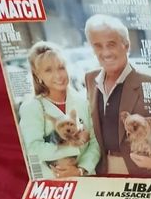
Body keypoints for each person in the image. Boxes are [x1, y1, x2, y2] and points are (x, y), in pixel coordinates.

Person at [83, 14, 151, 177]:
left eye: (111, 44)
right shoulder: (90, 79)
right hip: (102, 172)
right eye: (98, 46)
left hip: (142, 174)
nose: (105, 52)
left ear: (126, 45)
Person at [19, 41, 100, 178]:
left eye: (61, 68)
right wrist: (74, 145)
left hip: (85, 179)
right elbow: (32, 149)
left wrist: (81, 170)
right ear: (38, 75)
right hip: (51, 182)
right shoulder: (32, 107)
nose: (58, 75)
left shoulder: (83, 101)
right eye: (48, 70)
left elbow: (95, 142)